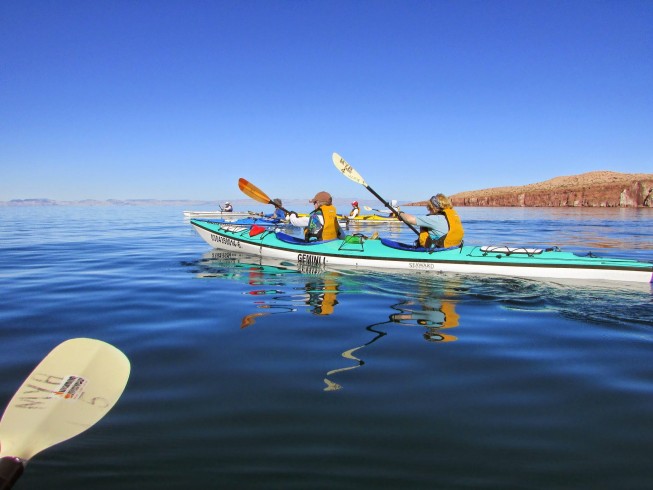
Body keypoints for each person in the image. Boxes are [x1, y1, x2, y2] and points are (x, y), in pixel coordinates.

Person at [398, 193, 464, 248]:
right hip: (452, 247)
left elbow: (409, 219)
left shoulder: (435, 219)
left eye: (429, 208)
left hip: (437, 251)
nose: (428, 210)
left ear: (434, 207)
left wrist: (400, 213)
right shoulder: (452, 216)